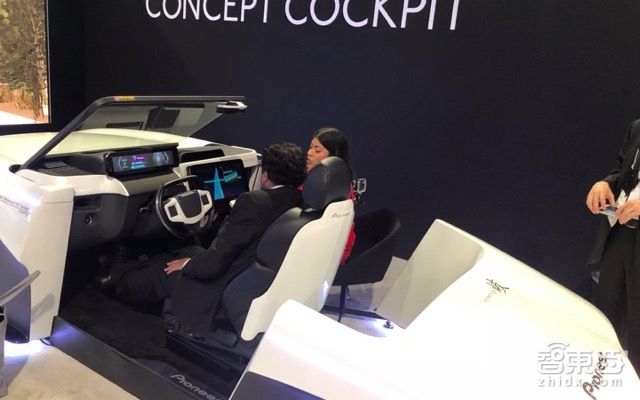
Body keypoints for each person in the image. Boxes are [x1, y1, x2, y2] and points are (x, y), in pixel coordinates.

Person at [111, 142, 307, 334]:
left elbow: (211, 267)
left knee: (165, 270)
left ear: (265, 174)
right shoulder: (300, 202)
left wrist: (188, 265)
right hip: (249, 276)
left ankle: (116, 292)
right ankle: (128, 269)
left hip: (221, 287)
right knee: (188, 252)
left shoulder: (253, 202)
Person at [586, 118, 640, 375]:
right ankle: (598, 382)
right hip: (620, 236)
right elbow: (622, 170)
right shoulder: (637, 128)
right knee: (605, 323)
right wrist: (605, 183)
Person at [305, 127, 356, 265]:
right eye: (310, 147)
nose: (309, 153)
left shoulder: (326, 187)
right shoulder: (343, 181)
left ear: (333, 157)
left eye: (317, 150)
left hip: (329, 253)